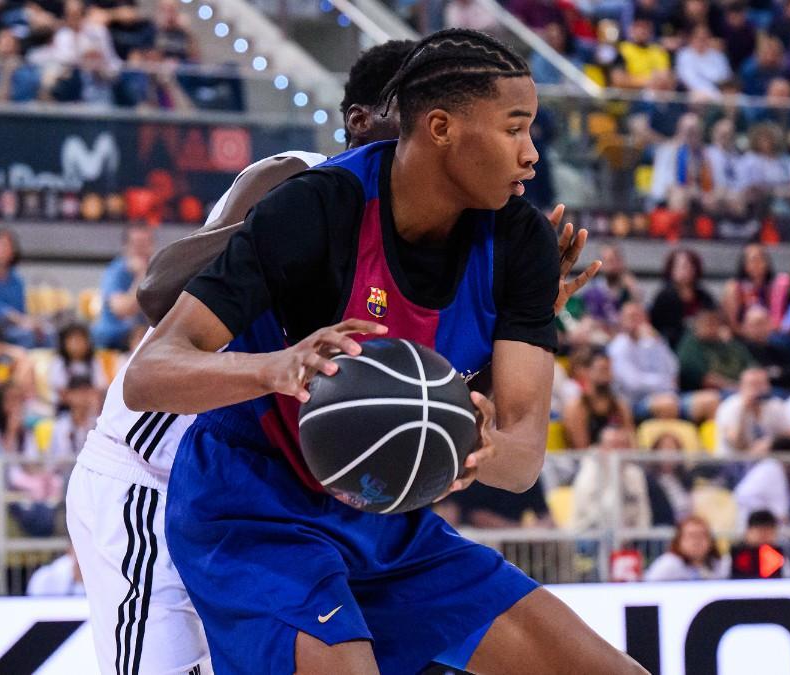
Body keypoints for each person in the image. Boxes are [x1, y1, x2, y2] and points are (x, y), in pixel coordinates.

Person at [68, 39, 601, 675]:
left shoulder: (512, 240)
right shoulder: (304, 187)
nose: (534, 154)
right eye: (516, 128)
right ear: (424, 128)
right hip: (178, 476)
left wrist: (483, 406)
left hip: (364, 501)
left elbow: (498, 442)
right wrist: (276, 355)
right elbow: (157, 306)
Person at [571, 428, 652, 531]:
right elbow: (591, 513)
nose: (620, 450)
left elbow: (643, 511)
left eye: (624, 445)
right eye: (614, 445)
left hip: (628, 533)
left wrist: (641, 535)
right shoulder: (588, 471)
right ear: (601, 448)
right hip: (590, 532)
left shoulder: (635, 473)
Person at [90, 225, 153, 350]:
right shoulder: (116, 271)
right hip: (114, 341)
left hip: (143, 339)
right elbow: (123, 309)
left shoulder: (156, 269)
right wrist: (141, 276)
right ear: (126, 246)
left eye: (145, 244)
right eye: (136, 244)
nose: (141, 250)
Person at [562, 352, 634, 449]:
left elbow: (632, 441)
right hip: (589, 459)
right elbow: (581, 448)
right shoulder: (576, 407)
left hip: (620, 458)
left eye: (609, 370)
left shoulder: (619, 405)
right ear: (586, 371)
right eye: (602, 369)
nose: (608, 375)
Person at [648, 247, 716, 348]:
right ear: (671, 270)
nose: (685, 270)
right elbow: (655, 326)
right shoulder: (664, 297)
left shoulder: (704, 296)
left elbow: (714, 317)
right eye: (680, 266)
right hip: (673, 345)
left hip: (703, 345)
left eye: (689, 266)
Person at [675, 308, 753, 391]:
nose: (711, 328)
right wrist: (735, 387)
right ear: (697, 325)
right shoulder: (690, 346)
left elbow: (750, 364)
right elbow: (706, 379)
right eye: (707, 324)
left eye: (715, 323)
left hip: (741, 387)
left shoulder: (728, 343)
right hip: (704, 392)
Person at [714, 367, 784, 456]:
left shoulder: (775, 405)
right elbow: (736, 444)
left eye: (761, 384)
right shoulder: (729, 407)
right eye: (752, 384)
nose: (757, 390)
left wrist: (770, 443)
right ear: (741, 387)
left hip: (767, 459)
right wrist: (744, 410)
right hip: (732, 462)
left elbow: (787, 436)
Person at [644, 515, 726, 581]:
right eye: (691, 536)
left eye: (702, 536)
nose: (697, 541)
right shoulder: (668, 564)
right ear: (679, 540)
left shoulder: (719, 564)